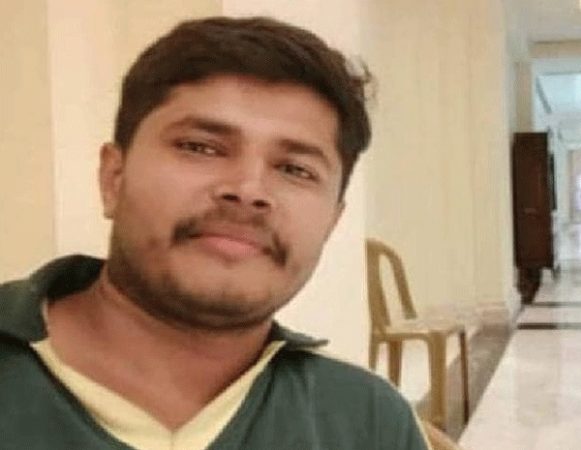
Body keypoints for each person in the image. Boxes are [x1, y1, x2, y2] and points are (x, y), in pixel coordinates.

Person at [0, 16, 430, 450]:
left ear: (331, 223)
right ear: (114, 178)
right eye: (200, 147)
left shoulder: (365, 421)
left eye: (295, 169)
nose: (248, 190)